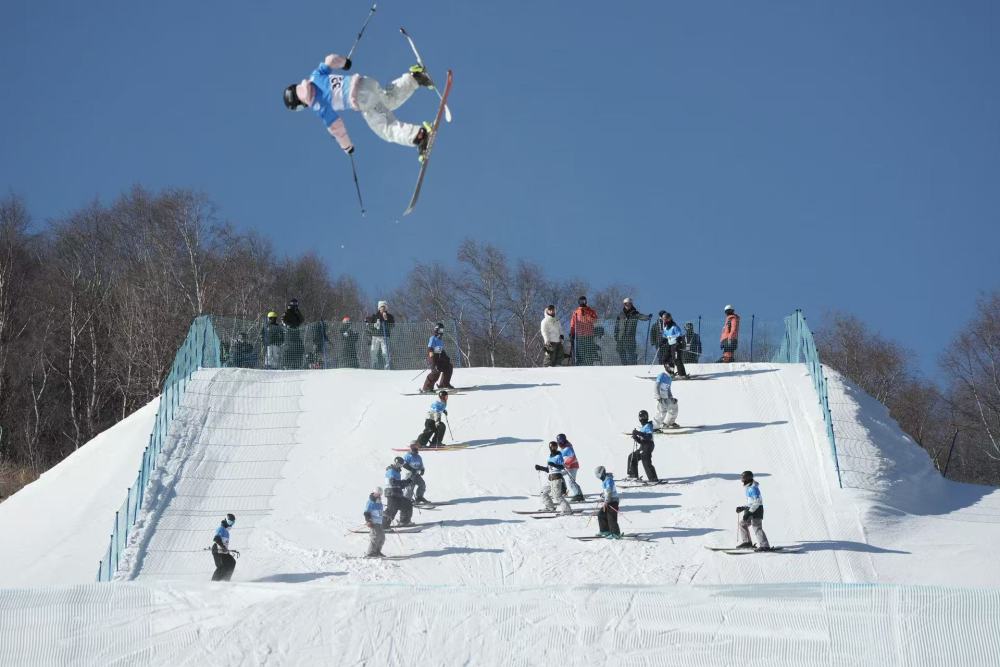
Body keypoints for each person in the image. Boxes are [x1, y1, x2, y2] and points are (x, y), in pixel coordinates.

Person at [283, 53, 436, 161]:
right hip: (365, 82)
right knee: (388, 100)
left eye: (300, 107)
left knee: (386, 128)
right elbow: (330, 60)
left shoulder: (317, 104)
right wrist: (344, 62)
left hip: (361, 99)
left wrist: (347, 147)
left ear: (299, 102)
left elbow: (337, 127)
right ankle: (415, 78)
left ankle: (420, 136)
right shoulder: (315, 76)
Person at [735, 470, 771, 551]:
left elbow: (757, 502)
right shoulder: (749, 487)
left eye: (743, 478)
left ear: (747, 478)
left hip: (757, 510)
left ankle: (765, 546)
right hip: (751, 510)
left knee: (756, 526)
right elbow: (751, 502)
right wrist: (743, 508)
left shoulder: (753, 488)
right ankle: (747, 542)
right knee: (742, 524)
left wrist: (749, 512)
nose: (742, 480)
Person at [534, 443, 573, 514]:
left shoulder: (559, 455)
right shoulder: (550, 457)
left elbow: (563, 467)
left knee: (557, 496)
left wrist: (554, 465)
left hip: (556, 478)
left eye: (554, 447)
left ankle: (567, 510)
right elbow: (548, 469)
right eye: (551, 447)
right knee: (543, 493)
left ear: (556, 447)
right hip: (550, 479)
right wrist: (540, 467)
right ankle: (550, 507)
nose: (553, 448)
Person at [613, 297, 650, 365]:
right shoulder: (621, 314)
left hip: (630, 337)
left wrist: (647, 317)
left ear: (631, 304)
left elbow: (641, 316)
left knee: (630, 352)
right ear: (624, 304)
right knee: (621, 352)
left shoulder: (634, 313)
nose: (627, 305)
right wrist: (616, 335)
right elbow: (616, 326)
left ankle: (633, 365)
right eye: (626, 304)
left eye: (629, 304)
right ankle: (624, 366)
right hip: (620, 337)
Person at [421, 322, 455, 392]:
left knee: (448, 366)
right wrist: (433, 361)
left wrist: (446, 358)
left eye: (442, 330)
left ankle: (444, 384)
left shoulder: (440, 340)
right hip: (433, 357)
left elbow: (440, 351)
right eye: (440, 330)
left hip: (439, 358)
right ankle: (427, 387)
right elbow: (430, 349)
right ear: (436, 330)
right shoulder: (433, 338)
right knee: (436, 370)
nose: (442, 332)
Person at [627, 409, 659, 482]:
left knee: (645, 460)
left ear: (647, 417)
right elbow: (641, 441)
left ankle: (653, 478)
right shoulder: (643, 427)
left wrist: (638, 433)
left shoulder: (648, 425)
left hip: (648, 445)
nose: (642, 419)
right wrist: (636, 438)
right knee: (632, 457)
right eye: (640, 417)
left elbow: (649, 436)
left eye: (644, 417)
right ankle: (633, 475)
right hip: (643, 446)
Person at [383, 457, 415, 528]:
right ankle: (383, 526)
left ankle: (404, 521)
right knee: (391, 509)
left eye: (401, 465)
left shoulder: (397, 472)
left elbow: (399, 485)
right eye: (399, 464)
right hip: (391, 493)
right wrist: (404, 482)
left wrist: (407, 482)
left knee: (407, 504)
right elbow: (393, 482)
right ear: (395, 463)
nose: (400, 466)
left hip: (397, 493)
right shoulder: (391, 471)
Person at [570, 296, 601, 366]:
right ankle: (581, 366)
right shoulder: (576, 312)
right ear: (579, 302)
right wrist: (572, 333)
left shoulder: (590, 311)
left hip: (589, 335)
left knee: (589, 351)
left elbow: (595, 320)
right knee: (580, 351)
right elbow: (573, 323)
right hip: (580, 335)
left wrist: (587, 315)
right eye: (581, 301)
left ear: (586, 301)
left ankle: (589, 365)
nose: (582, 302)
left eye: (584, 301)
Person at [594, 466, 621, 538]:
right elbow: (607, 491)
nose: (597, 477)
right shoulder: (605, 480)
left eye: (597, 475)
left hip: (613, 501)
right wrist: (603, 495)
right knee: (601, 514)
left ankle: (616, 533)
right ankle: (605, 530)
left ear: (601, 473)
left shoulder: (609, 480)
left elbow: (609, 492)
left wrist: (606, 501)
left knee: (611, 517)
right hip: (608, 501)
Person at [366, 301, 395, 369]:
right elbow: (369, 326)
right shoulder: (374, 316)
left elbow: (392, 326)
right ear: (379, 308)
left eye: (384, 307)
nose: (383, 308)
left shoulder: (389, 316)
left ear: (386, 308)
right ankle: (374, 364)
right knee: (373, 351)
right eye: (381, 307)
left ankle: (387, 365)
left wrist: (386, 320)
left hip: (385, 336)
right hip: (375, 336)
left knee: (385, 351)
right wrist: (374, 325)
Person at [556, 434, 585, 501]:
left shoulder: (568, 448)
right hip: (568, 467)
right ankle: (563, 491)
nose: (559, 443)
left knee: (571, 481)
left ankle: (578, 495)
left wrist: (565, 464)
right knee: (558, 475)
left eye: (560, 442)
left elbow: (573, 457)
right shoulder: (564, 448)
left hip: (573, 466)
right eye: (559, 442)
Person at [210, 513, 239, 581]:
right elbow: (216, 539)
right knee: (222, 566)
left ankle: (226, 579)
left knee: (232, 562)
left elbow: (224, 543)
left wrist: (226, 550)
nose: (231, 524)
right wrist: (223, 547)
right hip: (217, 550)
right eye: (230, 522)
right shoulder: (221, 529)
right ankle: (213, 582)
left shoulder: (226, 532)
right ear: (225, 520)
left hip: (223, 551)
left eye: (233, 522)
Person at [660, 312, 687, 377]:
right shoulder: (666, 328)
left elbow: (679, 335)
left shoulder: (674, 327)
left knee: (676, 359)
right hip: (669, 345)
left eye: (665, 319)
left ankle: (682, 374)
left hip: (676, 345)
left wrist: (678, 341)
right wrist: (662, 341)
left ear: (669, 319)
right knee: (665, 359)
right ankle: (671, 372)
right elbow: (665, 336)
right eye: (663, 319)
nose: (664, 321)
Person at [282, 298, 306, 369]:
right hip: (289, 334)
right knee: (289, 349)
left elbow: (302, 320)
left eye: (296, 304)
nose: (296, 306)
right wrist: (288, 325)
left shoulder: (296, 313)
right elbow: (283, 320)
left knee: (299, 348)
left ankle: (297, 364)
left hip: (296, 334)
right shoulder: (287, 312)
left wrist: (298, 312)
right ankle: (286, 365)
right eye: (294, 304)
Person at [364, 487, 386, 558]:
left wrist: (385, 514)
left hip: (379, 522)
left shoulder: (379, 501)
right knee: (375, 537)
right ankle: (370, 553)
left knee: (382, 537)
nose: (378, 495)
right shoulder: (371, 502)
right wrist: (368, 521)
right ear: (374, 493)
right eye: (377, 494)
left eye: (380, 494)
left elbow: (379, 512)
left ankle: (377, 551)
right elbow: (366, 512)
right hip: (373, 523)